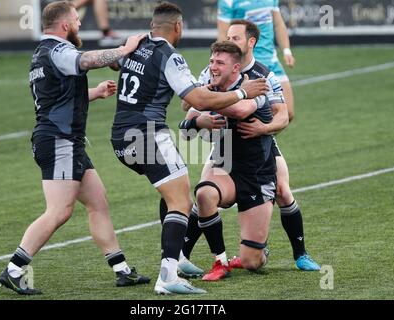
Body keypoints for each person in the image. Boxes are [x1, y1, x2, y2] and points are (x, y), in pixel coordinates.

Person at [110, 2, 269, 295]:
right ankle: (168, 274)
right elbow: (199, 99)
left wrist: (123, 51)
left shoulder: (137, 45)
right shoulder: (169, 56)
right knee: (181, 200)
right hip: (146, 134)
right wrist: (244, 91)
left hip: (121, 136)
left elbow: (113, 62)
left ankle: (178, 259)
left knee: (172, 187)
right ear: (178, 27)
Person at [0, 1, 150, 295]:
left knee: (98, 203)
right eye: (77, 21)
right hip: (60, 142)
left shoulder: (41, 54)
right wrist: (124, 50)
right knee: (59, 211)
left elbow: (57, 100)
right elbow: (87, 61)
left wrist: (94, 92)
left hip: (66, 141)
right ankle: (14, 270)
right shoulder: (58, 50)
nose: (80, 25)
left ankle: (122, 270)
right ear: (65, 25)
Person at [217, 1, 321, 271]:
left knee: (284, 190)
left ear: (250, 42)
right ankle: (181, 259)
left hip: (262, 138)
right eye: (229, 39)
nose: (230, 40)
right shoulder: (228, 5)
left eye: (235, 38)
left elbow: (277, 22)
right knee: (207, 194)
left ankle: (300, 254)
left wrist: (264, 128)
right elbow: (222, 35)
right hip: (226, 144)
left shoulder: (263, 71)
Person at [179, 40, 282, 280]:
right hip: (224, 164)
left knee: (252, 263)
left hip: (257, 174)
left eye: (220, 63)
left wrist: (202, 101)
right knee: (204, 194)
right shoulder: (208, 90)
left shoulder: (256, 87)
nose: (213, 67)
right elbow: (185, 129)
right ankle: (220, 262)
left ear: (236, 69)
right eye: (211, 61)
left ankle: (258, 249)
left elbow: (240, 111)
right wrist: (197, 121)